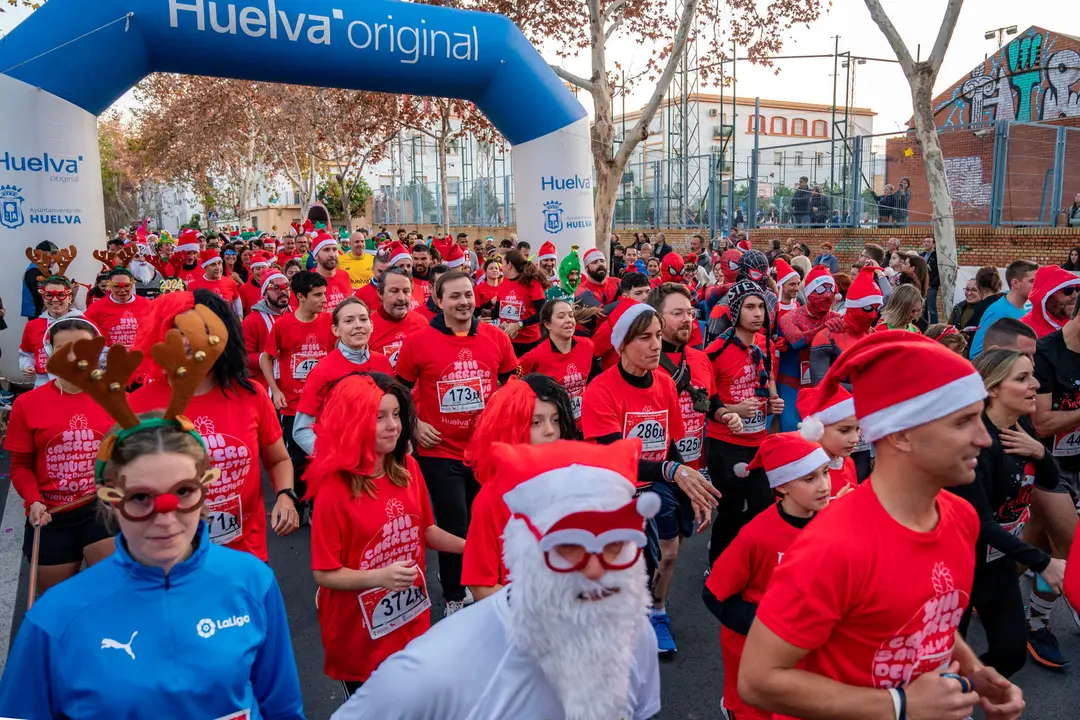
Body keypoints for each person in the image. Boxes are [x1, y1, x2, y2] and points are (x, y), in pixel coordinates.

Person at [0, 302, 304, 719]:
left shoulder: (254, 585)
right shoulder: (55, 619)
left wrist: (285, 494)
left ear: (205, 487)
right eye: (142, 497)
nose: (166, 516)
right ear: (111, 497)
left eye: (183, 491)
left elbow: (282, 707)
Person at [739, 331, 1025, 720]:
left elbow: (929, 618)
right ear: (902, 434)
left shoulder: (962, 516)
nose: (983, 438)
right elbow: (757, 679)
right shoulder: (832, 546)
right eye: (963, 422)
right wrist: (900, 706)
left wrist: (975, 671)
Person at [333, 440, 660, 720]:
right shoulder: (429, 672)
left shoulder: (631, 631)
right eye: (568, 546)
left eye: (615, 544)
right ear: (523, 549)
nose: (595, 570)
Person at [307, 373, 463, 699]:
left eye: (395, 414)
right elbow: (325, 572)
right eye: (379, 417)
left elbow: (425, 531)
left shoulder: (408, 468)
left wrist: (473, 548)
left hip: (410, 621)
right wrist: (381, 577)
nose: (393, 425)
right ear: (353, 422)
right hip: (360, 635)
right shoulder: (334, 490)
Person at [580, 301, 724, 654]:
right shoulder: (601, 389)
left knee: (670, 553)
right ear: (623, 344)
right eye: (645, 337)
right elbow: (616, 455)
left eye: (658, 335)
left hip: (657, 482)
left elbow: (669, 441)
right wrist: (672, 470)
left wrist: (688, 485)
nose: (656, 345)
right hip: (614, 487)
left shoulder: (663, 382)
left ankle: (657, 611)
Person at [132, 292, 300, 560]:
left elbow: (279, 459)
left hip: (244, 554)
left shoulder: (251, 395)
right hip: (167, 561)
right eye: (180, 330)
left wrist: (285, 495)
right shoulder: (138, 405)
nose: (190, 340)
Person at [394, 270, 519, 614]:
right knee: (454, 526)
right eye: (455, 296)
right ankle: (453, 596)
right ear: (438, 301)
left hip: (486, 452)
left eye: (468, 295)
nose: (464, 302)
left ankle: (486, 588)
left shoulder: (496, 338)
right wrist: (414, 425)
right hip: (440, 451)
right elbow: (398, 391)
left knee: (487, 524)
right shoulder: (418, 341)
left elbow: (513, 386)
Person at [946, 348, 1067, 678]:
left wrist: (1040, 452)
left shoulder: (1020, 424)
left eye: (1032, 375)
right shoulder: (976, 442)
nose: (1036, 384)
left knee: (1011, 654)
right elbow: (979, 523)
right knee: (940, 659)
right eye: (1022, 378)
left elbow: (1050, 480)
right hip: (957, 565)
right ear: (993, 388)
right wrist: (1043, 561)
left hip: (997, 560)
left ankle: (959, 689)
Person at [704, 433, 832, 720]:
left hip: (810, 657)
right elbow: (714, 595)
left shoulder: (836, 525)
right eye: (809, 479)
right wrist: (766, 625)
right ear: (783, 485)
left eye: (825, 473)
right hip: (756, 656)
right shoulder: (757, 535)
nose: (825, 486)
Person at [7, 318, 115, 598]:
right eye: (62, 348)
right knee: (60, 601)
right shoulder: (27, 404)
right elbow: (20, 465)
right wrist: (33, 501)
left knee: (109, 592)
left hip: (99, 508)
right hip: (51, 516)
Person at [461, 376, 577, 601]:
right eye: (536, 422)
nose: (550, 431)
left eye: (555, 420)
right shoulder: (493, 498)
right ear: (513, 428)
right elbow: (480, 586)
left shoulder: (569, 482)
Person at [704, 281, 780, 565]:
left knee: (764, 507)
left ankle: (739, 552)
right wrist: (734, 409)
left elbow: (767, 375)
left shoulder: (765, 344)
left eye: (761, 307)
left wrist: (772, 400)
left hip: (757, 442)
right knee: (732, 510)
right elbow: (704, 398)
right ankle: (717, 564)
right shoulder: (717, 349)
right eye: (750, 307)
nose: (758, 313)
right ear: (736, 312)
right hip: (725, 444)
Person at [261, 271, 334, 508]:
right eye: (318, 295)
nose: (324, 299)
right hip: (295, 407)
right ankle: (300, 503)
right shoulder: (283, 325)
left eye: (325, 294)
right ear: (301, 297)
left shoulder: (329, 321)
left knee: (324, 457)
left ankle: (318, 505)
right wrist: (276, 391)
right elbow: (266, 358)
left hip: (326, 406)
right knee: (299, 460)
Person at [292, 297, 393, 455]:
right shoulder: (322, 371)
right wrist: (333, 458)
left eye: (363, 319)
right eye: (349, 321)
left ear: (371, 325)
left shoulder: (383, 363)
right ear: (335, 330)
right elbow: (301, 430)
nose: (358, 325)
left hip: (380, 459)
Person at [776, 266, 840, 431]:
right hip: (791, 385)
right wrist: (823, 328)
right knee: (791, 430)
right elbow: (796, 340)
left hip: (821, 386)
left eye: (830, 289)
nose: (827, 295)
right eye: (820, 289)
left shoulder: (836, 318)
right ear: (809, 292)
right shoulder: (791, 317)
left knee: (824, 433)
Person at [519, 298, 600, 427]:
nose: (568, 320)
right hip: (554, 427)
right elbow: (512, 378)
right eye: (561, 317)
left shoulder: (587, 346)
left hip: (582, 422)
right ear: (547, 324)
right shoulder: (536, 355)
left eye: (571, 316)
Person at [20, 272, 83, 388]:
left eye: (60, 295)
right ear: (43, 298)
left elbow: (100, 353)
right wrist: (27, 365)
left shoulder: (84, 323)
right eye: (49, 295)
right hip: (43, 384)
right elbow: (26, 353)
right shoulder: (33, 325)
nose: (55, 300)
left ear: (69, 297)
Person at [971, 259, 1038, 358]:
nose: (1037, 285)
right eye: (1032, 281)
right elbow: (976, 354)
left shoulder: (1027, 309)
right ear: (1015, 283)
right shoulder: (998, 311)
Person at [367, 266, 429, 368]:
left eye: (406, 291)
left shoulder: (421, 322)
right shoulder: (367, 327)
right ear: (380, 293)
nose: (401, 298)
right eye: (394, 291)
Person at [496, 248, 549, 357]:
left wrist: (519, 325)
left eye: (502, 264)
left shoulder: (532, 283)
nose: (501, 267)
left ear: (509, 265)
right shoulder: (503, 282)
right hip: (509, 340)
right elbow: (498, 310)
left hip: (529, 341)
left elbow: (543, 313)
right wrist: (502, 323)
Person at [84, 267, 153, 350]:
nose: (122, 290)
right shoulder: (96, 308)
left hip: (140, 357)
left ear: (132, 284)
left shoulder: (147, 305)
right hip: (109, 359)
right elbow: (85, 333)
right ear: (109, 286)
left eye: (127, 286)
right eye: (116, 286)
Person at [241, 270, 290, 385]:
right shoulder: (251, 321)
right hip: (266, 385)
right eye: (276, 287)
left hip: (295, 383)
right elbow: (243, 357)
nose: (283, 291)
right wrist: (266, 357)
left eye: (286, 286)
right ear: (264, 294)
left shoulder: (297, 313)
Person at [1020, 264, 1080, 338]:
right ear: (1048, 296)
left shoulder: (1076, 324)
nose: (1076, 295)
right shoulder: (1023, 330)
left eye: (1077, 289)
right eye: (1068, 290)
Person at [188, 248, 242, 316]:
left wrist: (240, 317)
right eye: (213, 265)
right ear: (205, 268)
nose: (218, 268)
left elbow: (236, 300)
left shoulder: (230, 282)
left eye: (219, 263)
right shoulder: (193, 286)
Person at [238, 251, 272, 315]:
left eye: (263, 268)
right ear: (252, 271)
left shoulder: (274, 287)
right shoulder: (244, 289)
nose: (261, 271)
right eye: (258, 268)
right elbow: (240, 312)